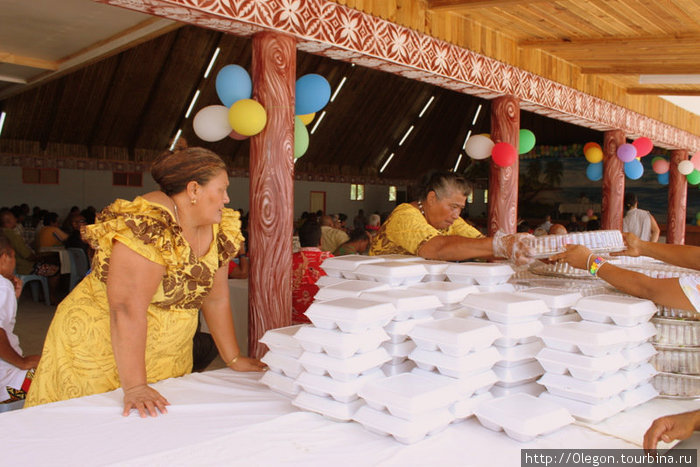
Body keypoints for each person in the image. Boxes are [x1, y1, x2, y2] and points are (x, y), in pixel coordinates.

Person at [25, 147, 265, 416]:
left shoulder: (219, 226)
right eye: (222, 189)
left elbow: (216, 297)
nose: (227, 198)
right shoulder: (149, 226)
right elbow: (127, 308)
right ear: (194, 189)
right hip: (100, 348)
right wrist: (136, 386)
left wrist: (233, 358)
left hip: (168, 353)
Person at [369, 172, 534, 263]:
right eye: (453, 207)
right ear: (432, 198)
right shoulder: (405, 215)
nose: (456, 215)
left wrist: (534, 251)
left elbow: (483, 246)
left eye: (460, 208)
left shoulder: (450, 221)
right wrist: (502, 245)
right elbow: (437, 248)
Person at [0, 235, 41, 403]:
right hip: (7, 385)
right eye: (14, 257)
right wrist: (21, 362)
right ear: (5, 257)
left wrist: (13, 299)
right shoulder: (3, 285)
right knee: (57, 376)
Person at [292, 221, 332, 324]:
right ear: (320, 241)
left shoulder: (288, 260)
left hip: (292, 321)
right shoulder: (330, 261)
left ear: (299, 240)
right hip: (321, 322)